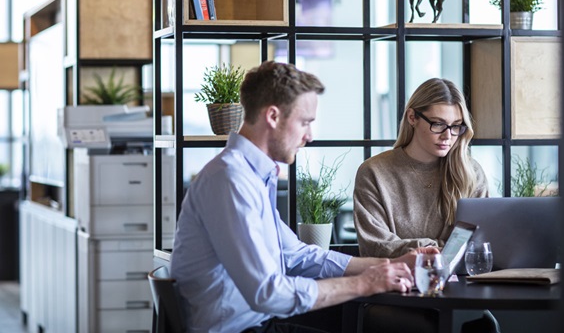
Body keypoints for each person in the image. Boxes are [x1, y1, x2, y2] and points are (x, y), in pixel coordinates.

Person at [170, 60, 437, 333]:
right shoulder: (230, 180)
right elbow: (268, 293)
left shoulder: (251, 176)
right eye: (305, 122)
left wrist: (391, 265)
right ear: (273, 117)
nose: (309, 136)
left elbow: (297, 256)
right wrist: (365, 282)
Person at [354, 77, 489, 258]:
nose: (447, 136)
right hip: (395, 281)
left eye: (456, 126)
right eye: (438, 124)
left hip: (461, 281)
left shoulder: (471, 173)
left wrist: (415, 249)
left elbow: (478, 244)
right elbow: (374, 246)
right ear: (412, 118)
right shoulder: (374, 172)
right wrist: (438, 248)